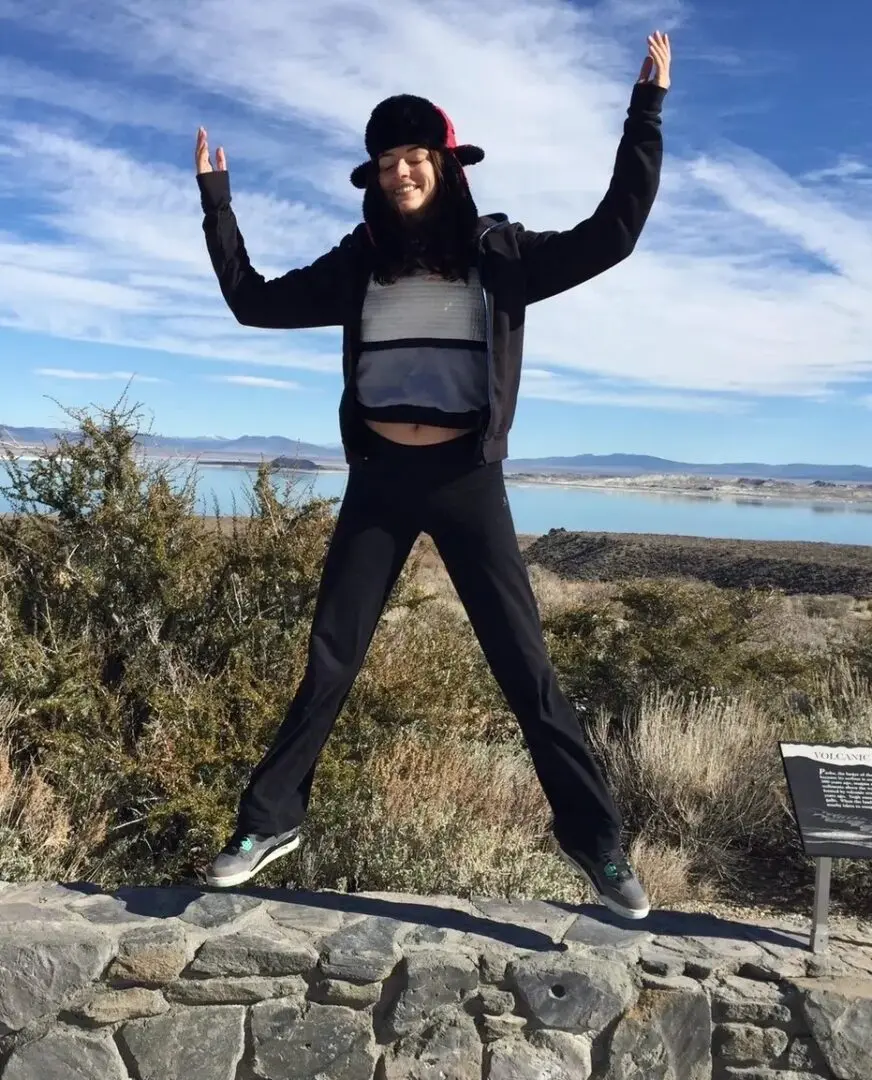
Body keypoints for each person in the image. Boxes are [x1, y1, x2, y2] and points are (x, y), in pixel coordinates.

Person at [194, 32, 671, 920]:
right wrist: (216, 204)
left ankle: (597, 843)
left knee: (525, 669)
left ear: (445, 165)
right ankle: (268, 822)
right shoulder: (358, 263)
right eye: (386, 161)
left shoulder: (503, 255)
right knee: (330, 657)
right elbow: (252, 302)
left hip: (464, 481)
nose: (401, 172)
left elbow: (614, 234)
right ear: (374, 175)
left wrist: (644, 116)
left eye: (415, 157)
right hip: (380, 479)